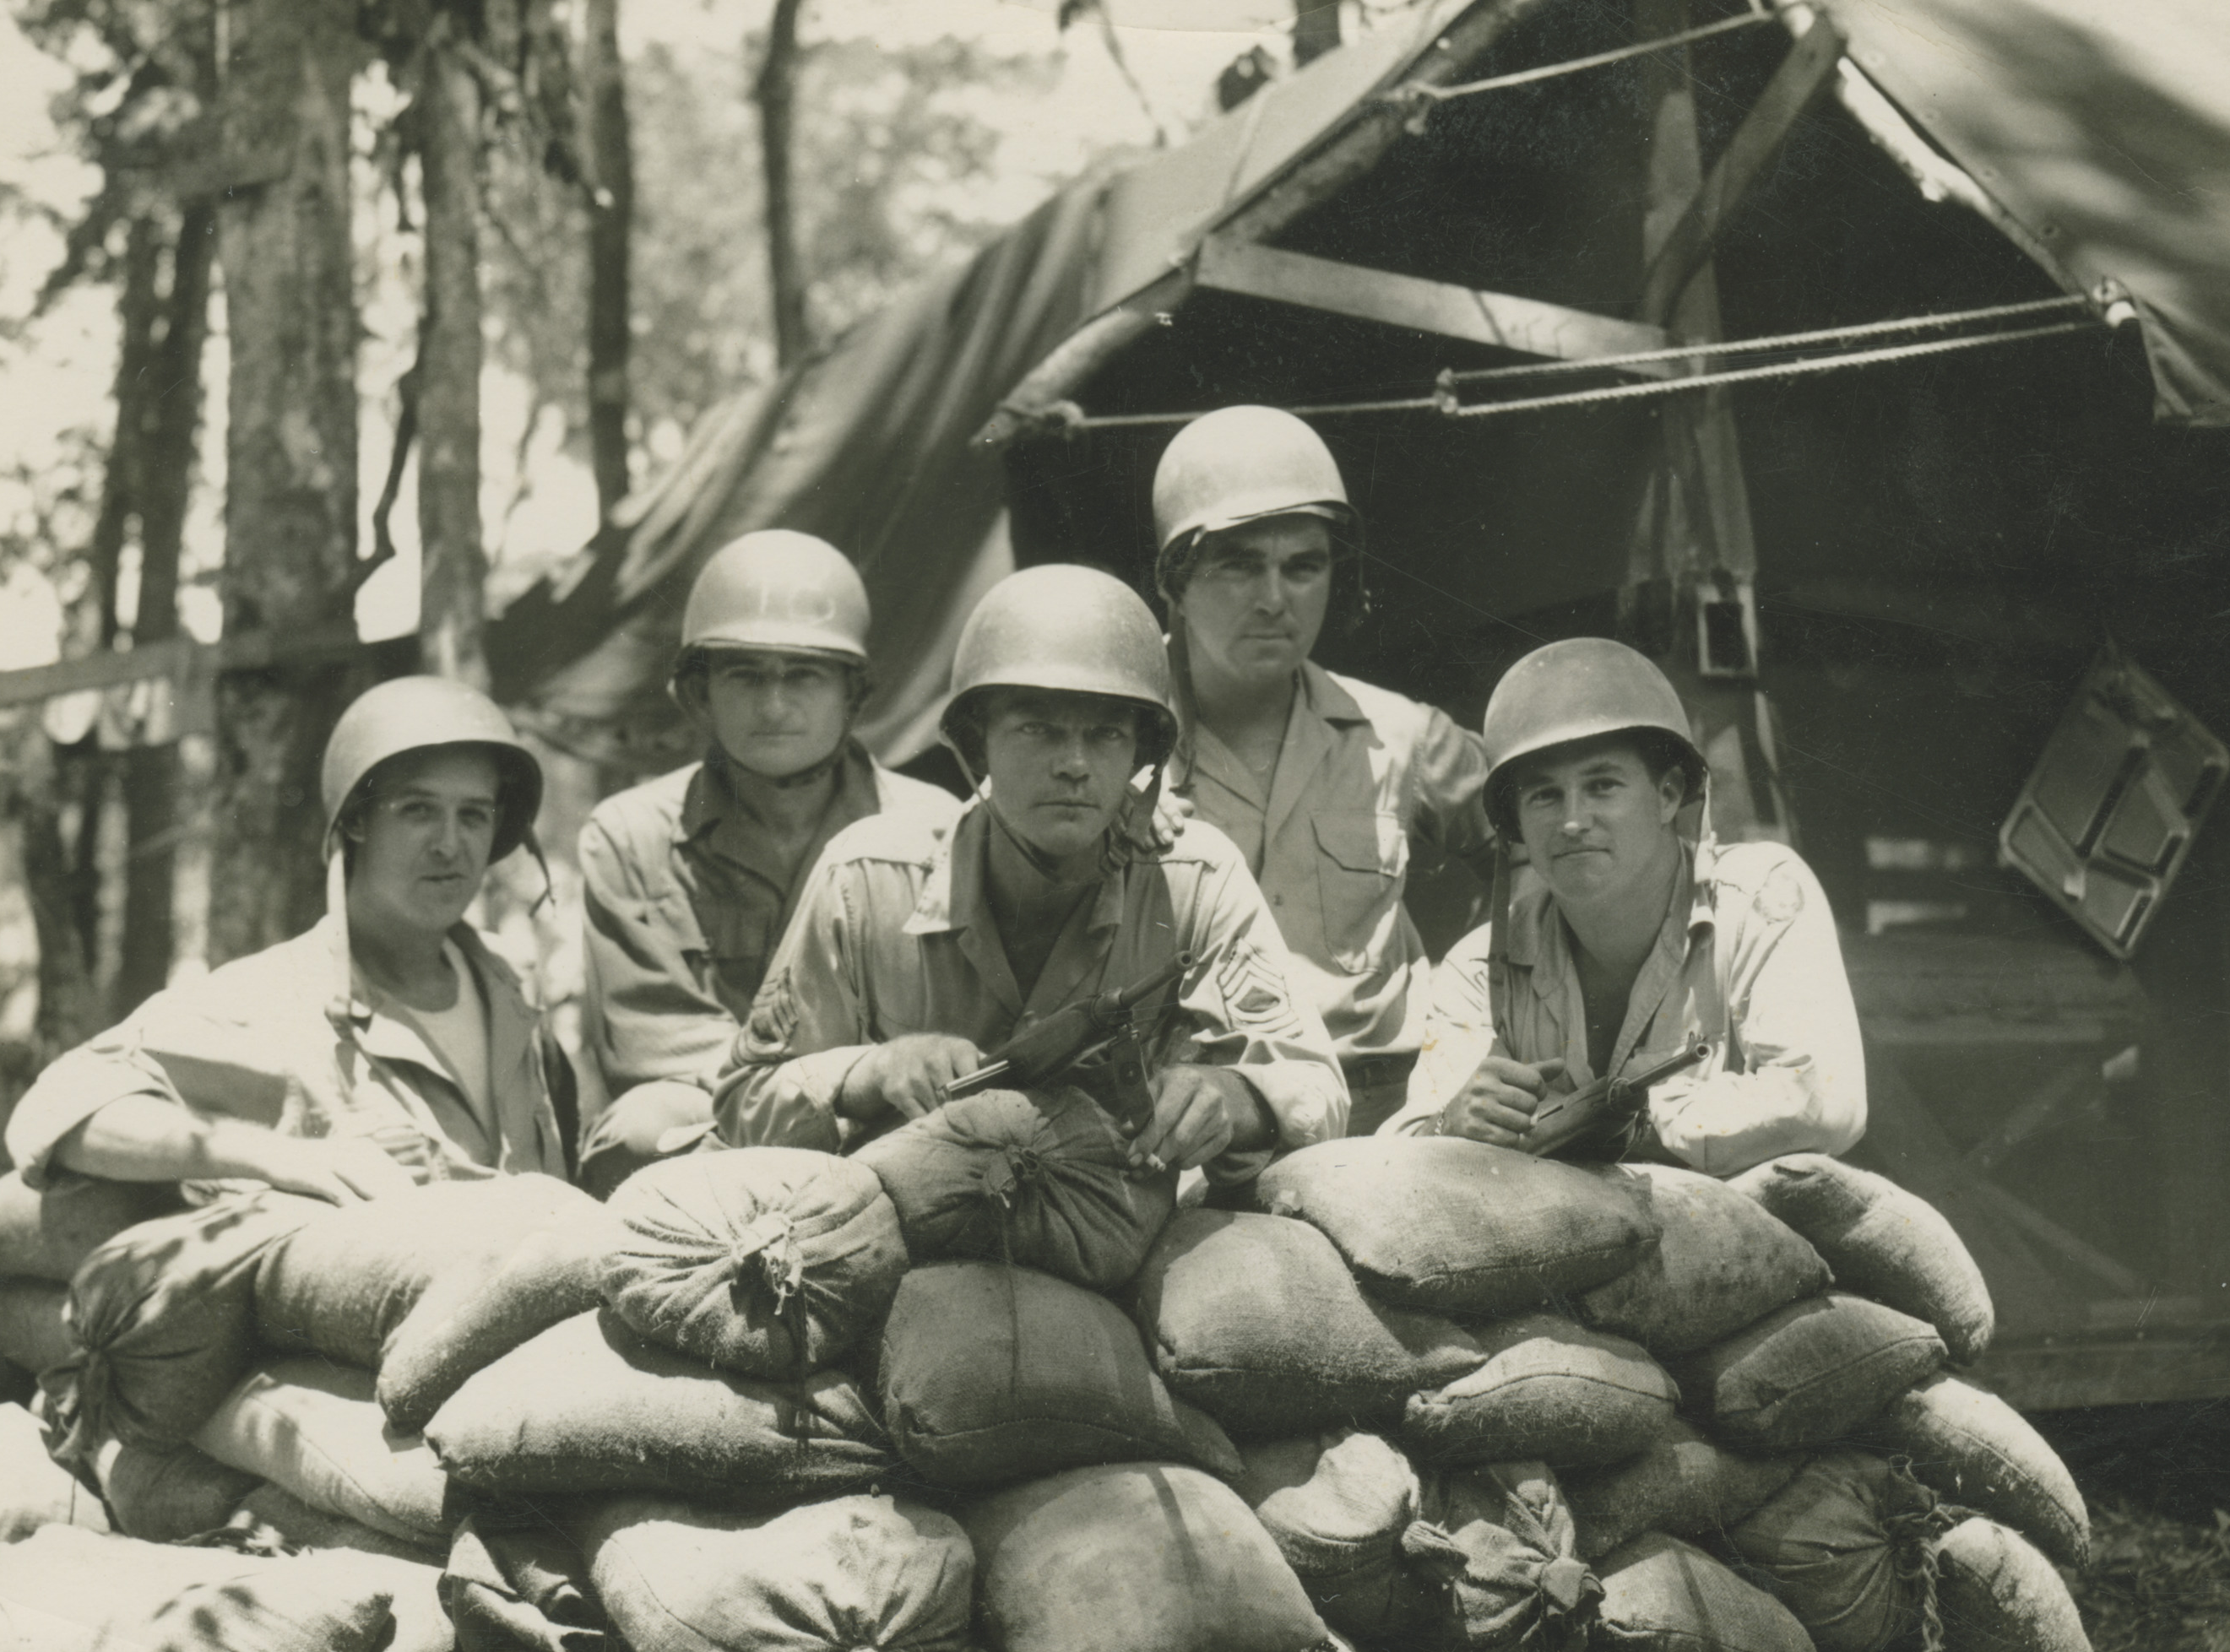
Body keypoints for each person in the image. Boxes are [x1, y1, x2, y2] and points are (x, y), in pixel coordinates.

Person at [715, 562, 1346, 1178]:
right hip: (912, 1221)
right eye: (1037, 729)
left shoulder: (1193, 879)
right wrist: (871, 1073)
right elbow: (745, 1102)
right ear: (977, 742)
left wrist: (1230, 1098)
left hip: (1114, 1226)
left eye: (1104, 735)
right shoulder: (868, 879)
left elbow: (1316, 1084)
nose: (1073, 764)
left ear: (1141, 754)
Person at [6, 673, 574, 1201]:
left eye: (473, 815)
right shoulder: (276, 998)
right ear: (357, 821)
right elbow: (57, 1104)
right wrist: (277, 1156)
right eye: (418, 810)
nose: (450, 844)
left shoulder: (512, 986)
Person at [1391, 636, 1865, 1176]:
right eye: (1544, 795)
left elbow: (1822, 1103)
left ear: (1667, 795)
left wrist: (1617, 1115)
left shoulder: (1760, 898)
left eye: (1602, 786)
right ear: (1516, 823)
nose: (1572, 820)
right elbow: (1409, 1147)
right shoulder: (1480, 969)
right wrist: (1449, 1126)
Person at [1150, 405, 1495, 1134]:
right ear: (1175, 580)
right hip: (1193, 1124)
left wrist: (1488, 1004)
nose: (1275, 599)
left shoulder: (1399, 737)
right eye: (1239, 564)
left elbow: (1541, 837)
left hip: (1385, 1120)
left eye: (1303, 566)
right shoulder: (1101, 741)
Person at [576, 529, 953, 1195]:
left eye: (803, 675)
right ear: (699, 695)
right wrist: (821, 1086)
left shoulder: (933, 828)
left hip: (887, 1114)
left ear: (854, 694)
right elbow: (655, 1046)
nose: (774, 706)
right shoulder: (631, 836)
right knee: (639, 1129)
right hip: (716, 1123)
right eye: (746, 676)